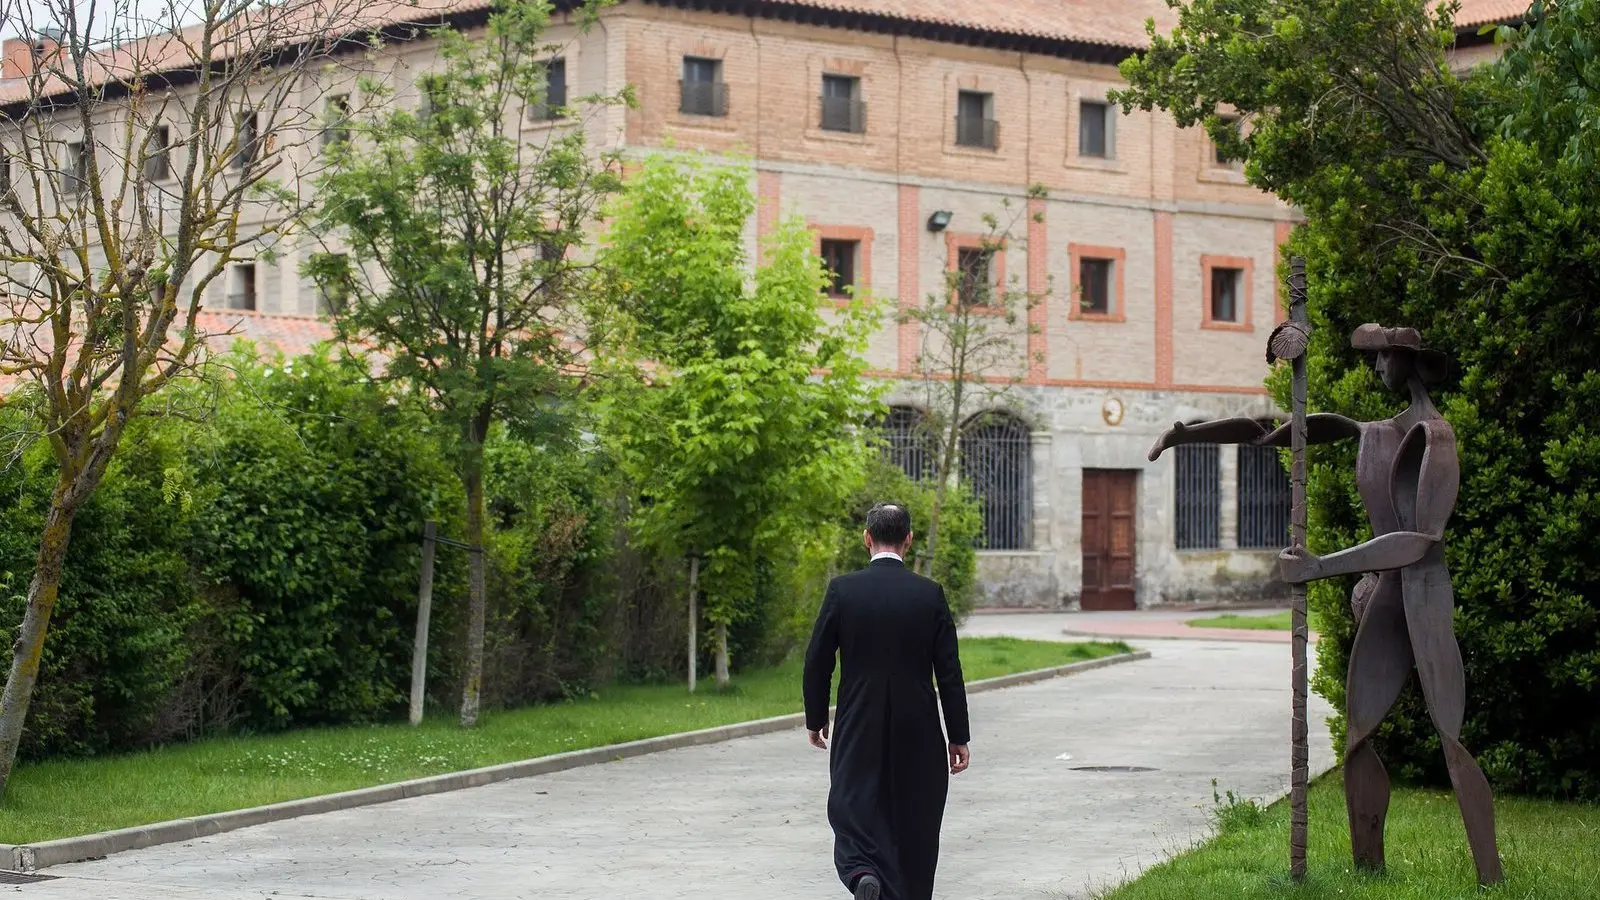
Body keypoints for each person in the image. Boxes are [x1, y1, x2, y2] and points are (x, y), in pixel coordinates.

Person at [1147, 323, 1502, 885]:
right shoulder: (1377, 432)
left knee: (1450, 736)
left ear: (1409, 361)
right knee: (1359, 737)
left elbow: (1423, 540)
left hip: (1425, 595)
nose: (1376, 368)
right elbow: (1276, 433)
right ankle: (1368, 872)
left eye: (1383, 357)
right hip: (1387, 595)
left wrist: (1321, 566)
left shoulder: (1437, 437)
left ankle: (1491, 876)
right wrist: (1189, 435)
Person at [803, 502, 971, 900]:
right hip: (919, 725)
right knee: (916, 814)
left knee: (850, 803)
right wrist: (958, 736)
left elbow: (817, 660)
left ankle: (862, 870)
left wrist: (816, 717)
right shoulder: (929, 594)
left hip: (858, 719)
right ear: (909, 540)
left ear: (867, 538)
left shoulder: (843, 590)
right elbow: (949, 672)